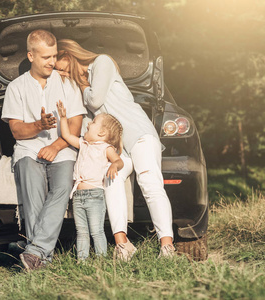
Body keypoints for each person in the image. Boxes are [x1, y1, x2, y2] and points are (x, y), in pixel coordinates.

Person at [55, 39, 176, 261]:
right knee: (110, 179)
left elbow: (95, 100)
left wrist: (81, 83)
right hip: (118, 149)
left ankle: (167, 246)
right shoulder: (77, 84)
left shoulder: (102, 63)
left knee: (149, 183)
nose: (59, 71)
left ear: (68, 55)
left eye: (59, 65)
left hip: (138, 134)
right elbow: (86, 124)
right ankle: (123, 244)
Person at [1, 30, 87, 271]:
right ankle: (41, 258)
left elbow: (77, 126)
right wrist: (40, 126)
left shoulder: (68, 84)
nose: (52, 62)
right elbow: (17, 131)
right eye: (45, 57)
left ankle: (34, 251)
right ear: (31, 55)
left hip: (63, 150)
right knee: (33, 191)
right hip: (28, 150)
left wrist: (55, 145)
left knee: (61, 188)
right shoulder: (16, 88)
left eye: (54, 56)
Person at [57, 100, 124, 260]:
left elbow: (119, 161)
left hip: (94, 196)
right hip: (78, 197)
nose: (88, 124)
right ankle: (82, 262)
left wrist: (114, 165)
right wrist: (63, 118)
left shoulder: (105, 148)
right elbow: (66, 135)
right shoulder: (83, 143)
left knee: (96, 231)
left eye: (93, 122)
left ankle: (101, 261)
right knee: (81, 232)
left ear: (102, 133)